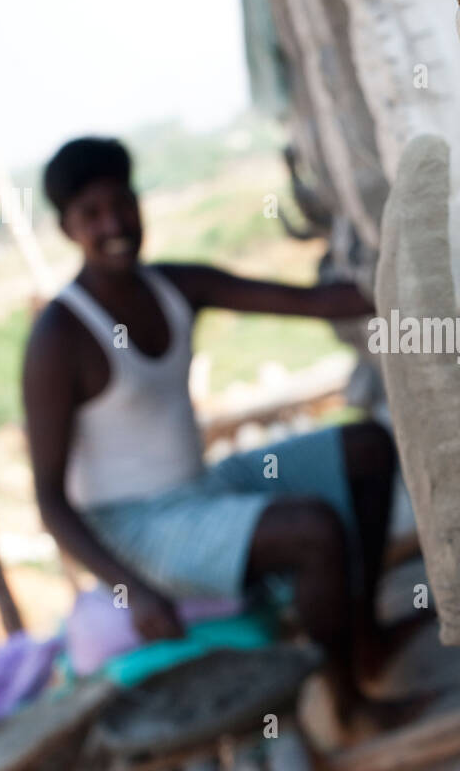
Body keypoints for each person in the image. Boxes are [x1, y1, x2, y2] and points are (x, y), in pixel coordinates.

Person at [22, 136, 402, 725]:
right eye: (91, 215)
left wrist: (406, 264)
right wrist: (132, 591)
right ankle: (348, 705)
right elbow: (49, 500)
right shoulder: (59, 338)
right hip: (137, 531)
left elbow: (313, 302)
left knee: (367, 448)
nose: (114, 223)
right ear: (68, 230)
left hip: (201, 491)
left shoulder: (174, 286)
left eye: (122, 203)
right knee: (312, 532)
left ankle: (367, 638)